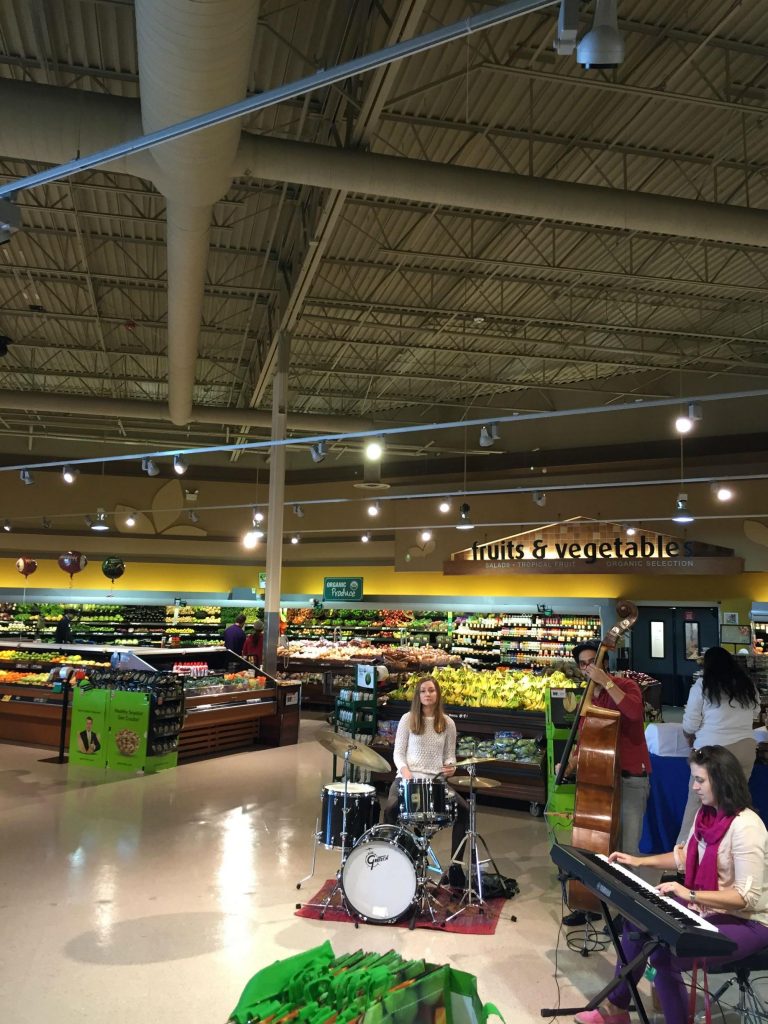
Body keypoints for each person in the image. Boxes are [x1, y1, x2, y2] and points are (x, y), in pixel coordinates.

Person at [574, 745, 768, 1024]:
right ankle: (616, 1009)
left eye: (700, 780)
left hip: (751, 921)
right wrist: (637, 861)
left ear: (722, 780)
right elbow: (686, 855)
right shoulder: (706, 814)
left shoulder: (746, 827)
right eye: (693, 779)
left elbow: (744, 898)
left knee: (664, 954)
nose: (694, 787)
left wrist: (689, 893)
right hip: (707, 906)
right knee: (636, 921)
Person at [560, 639, 651, 927]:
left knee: (627, 848)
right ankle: (590, 904)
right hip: (598, 779)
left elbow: (635, 713)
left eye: (594, 662)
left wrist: (607, 683)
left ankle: (629, 914)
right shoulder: (588, 698)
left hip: (630, 777)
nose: (590, 667)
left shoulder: (626, 686)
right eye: (584, 664)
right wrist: (571, 761)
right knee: (592, 843)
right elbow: (587, 736)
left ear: (604, 663)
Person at [382, 676, 470, 888]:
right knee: (391, 810)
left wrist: (450, 768)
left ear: (437, 694)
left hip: (436, 782)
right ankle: (396, 860)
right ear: (417, 696)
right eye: (423, 691)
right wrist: (405, 772)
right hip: (408, 778)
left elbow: (450, 756)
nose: (427, 694)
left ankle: (456, 867)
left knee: (465, 811)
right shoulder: (407, 719)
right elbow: (398, 754)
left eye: (431, 690)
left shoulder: (448, 723)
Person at [677, 646, 759, 843]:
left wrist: (690, 736)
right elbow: (755, 715)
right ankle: (728, 850)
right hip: (745, 749)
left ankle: (683, 857)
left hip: (712, 754)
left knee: (697, 806)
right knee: (734, 804)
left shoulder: (702, 685)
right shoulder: (747, 684)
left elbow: (690, 723)